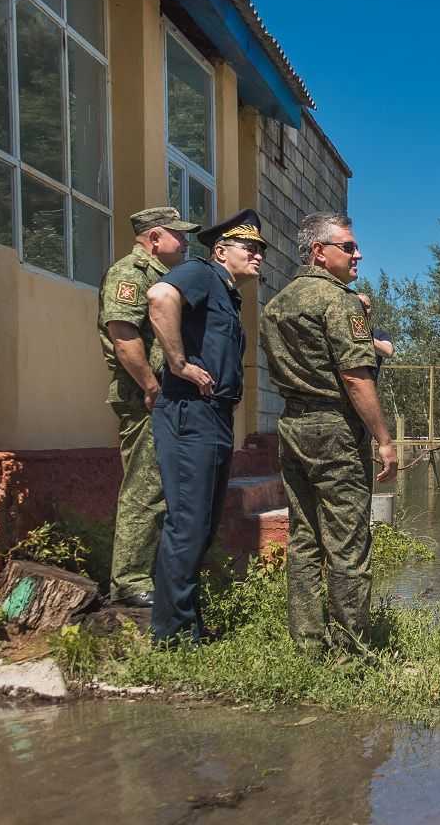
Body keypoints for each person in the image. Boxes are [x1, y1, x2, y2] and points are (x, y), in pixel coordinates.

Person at [262, 212, 397, 656]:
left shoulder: (276, 304)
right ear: (319, 252)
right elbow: (357, 378)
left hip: (292, 425)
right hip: (334, 428)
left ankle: (306, 643)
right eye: (348, 247)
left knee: (303, 538)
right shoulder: (338, 302)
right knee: (348, 539)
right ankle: (352, 650)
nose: (357, 254)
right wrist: (384, 439)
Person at [145, 209, 265, 643]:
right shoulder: (200, 272)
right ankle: (172, 636)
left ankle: (187, 625)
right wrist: (178, 364)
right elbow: (159, 297)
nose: (258, 256)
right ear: (220, 251)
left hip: (212, 417)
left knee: (204, 524)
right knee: (188, 522)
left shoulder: (227, 292)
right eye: (249, 248)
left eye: (260, 250)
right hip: (189, 414)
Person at [97, 207, 199, 608]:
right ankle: (130, 580)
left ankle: (150, 573)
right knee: (145, 487)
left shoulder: (159, 276)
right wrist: (151, 384)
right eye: (178, 234)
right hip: (143, 398)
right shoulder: (130, 274)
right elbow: (123, 335)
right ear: (154, 237)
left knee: (162, 486)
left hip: (159, 395)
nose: (186, 241)